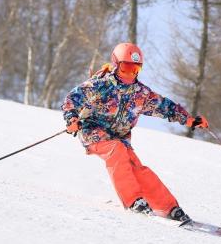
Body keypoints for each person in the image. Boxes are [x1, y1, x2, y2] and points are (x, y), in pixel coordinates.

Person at [61, 42, 209, 222]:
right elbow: (72, 99)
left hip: (120, 138)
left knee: (137, 168)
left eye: (135, 69)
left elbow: (165, 107)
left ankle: (169, 207)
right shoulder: (100, 85)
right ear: (116, 65)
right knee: (116, 151)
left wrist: (190, 120)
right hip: (93, 131)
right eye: (126, 68)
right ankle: (133, 201)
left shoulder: (141, 94)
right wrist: (71, 119)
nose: (130, 74)